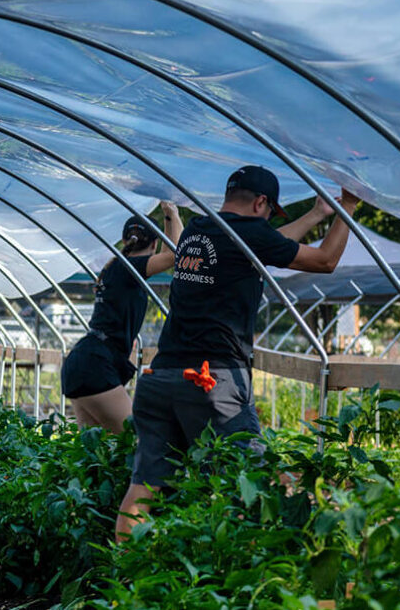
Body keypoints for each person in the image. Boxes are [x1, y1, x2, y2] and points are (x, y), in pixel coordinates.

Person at [116, 166, 356, 541]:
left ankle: (123, 581)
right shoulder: (248, 234)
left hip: (160, 377)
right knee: (249, 484)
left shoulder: (198, 230)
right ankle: (243, 583)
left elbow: (265, 245)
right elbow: (324, 260)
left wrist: (315, 215)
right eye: (267, 210)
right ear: (261, 202)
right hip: (212, 381)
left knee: (145, 486)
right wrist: (349, 208)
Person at [60, 202, 182, 433]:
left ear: (125, 241)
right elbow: (176, 257)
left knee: (98, 453)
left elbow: (168, 255)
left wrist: (168, 220)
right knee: (136, 443)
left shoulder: (118, 267)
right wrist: (172, 214)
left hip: (83, 362)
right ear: (154, 245)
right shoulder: (128, 268)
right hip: (95, 365)